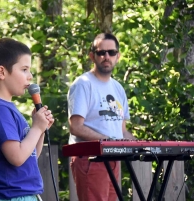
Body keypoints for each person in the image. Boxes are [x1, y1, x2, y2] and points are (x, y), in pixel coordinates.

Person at [0, 38, 54, 201]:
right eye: (24, 69)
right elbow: (17, 157)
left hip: (23, 195)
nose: (30, 76)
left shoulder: (7, 108)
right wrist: (36, 129)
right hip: (11, 196)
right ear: (2, 72)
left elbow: (29, 155)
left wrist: (39, 130)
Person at [67, 33, 136, 201]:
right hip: (91, 159)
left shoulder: (118, 88)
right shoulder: (83, 84)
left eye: (111, 52)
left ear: (118, 56)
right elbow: (75, 126)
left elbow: (122, 131)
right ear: (92, 56)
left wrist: (141, 146)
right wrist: (108, 140)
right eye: (101, 52)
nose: (107, 57)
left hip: (113, 158)